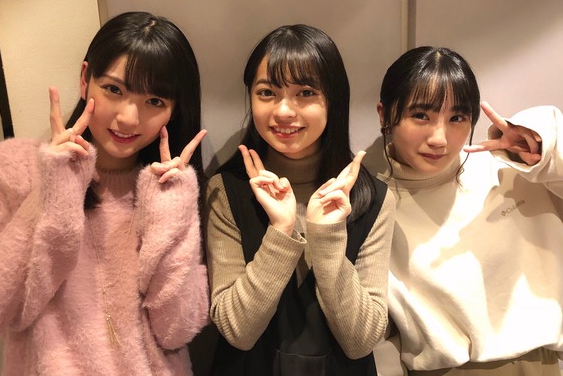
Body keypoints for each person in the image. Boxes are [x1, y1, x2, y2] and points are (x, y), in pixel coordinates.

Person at [0, 11, 209, 375]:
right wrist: (52, 193)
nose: (128, 118)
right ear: (85, 78)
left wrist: (171, 211)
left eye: (154, 101)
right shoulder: (14, 167)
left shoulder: (171, 190)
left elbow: (176, 330)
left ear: (174, 109)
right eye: (114, 90)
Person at [206, 24, 396, 375]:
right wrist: (281, 230)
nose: (283, 111)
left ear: (333, 100)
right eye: (267, 93)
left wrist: (326, 238)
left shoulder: (372, 197)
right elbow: (236, 330)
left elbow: (360, 341)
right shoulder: (227, 190)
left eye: (305, 93)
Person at [365, 46, 563, 376]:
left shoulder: (509, 172)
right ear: (384, 115)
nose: (439, 138)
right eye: (421, 115)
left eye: (457, 118)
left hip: (537, 366)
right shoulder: (370, 204)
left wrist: (548, 150)